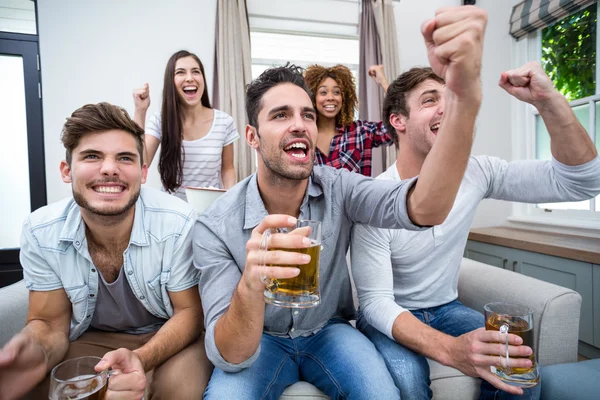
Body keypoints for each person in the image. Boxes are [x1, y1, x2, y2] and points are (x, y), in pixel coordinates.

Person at [194, 6, 488, 399]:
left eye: (307, 115)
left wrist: (463, 100)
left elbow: (425, 207)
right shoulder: (215, 224)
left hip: (329, 332)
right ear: (252, 136)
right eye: (281, 115)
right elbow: (230, 355)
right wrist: (251, 284)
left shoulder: (343, 188)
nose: (300, 124)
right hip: (261, 340)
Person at [350, 59, 600, 399]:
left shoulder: (476, 173)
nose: (447, 109)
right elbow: (376, 303)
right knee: (407, 384)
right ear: (398, 121)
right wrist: (452, 349)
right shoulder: (375, 199)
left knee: (518, 372)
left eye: (450, 99)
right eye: (429, 100)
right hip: (393, 313)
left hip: (447, 306)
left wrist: (548, 101)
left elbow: (582, 182)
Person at [0, 103, 213, 400]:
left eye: (124, 158)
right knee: (40, 387)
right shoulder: (40, 230)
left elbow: (190, 313)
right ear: (66, 170)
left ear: (142, 172)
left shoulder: (178, 223)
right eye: (92, 156)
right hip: (93, 338)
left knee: (181, 389)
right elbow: (49, 323)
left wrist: (142, 359)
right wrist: (31, 350)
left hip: (168, 336)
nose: (110, 168)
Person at [133, 50, 239, 200]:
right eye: (181, 72)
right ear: (171, 81)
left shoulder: (224, 122)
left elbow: (228, 168)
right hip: (171, 209)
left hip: (209, 210)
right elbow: (141, 163)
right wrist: (140, 111)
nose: (189, 78)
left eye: (195, 72)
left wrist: (230, 198)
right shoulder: (160, 120)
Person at [303, 63, 392, 176]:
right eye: (323, 92)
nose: (330, 97)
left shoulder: (360, 131)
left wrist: (383, 81)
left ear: (344, 98)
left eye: (337, 92)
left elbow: (397, 127)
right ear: (312, 97)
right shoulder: (304, 136)